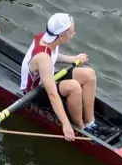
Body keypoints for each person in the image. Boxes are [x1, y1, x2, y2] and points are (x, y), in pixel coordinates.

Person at [19, 12, 98, 142]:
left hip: (46, 78)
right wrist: (65, 124)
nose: (74, 33)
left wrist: (73, 59)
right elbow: (52, 95)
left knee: (89, 74)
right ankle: (80, 127)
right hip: (34, 92)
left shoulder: (47, 38)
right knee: (73, 87)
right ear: (62, 35)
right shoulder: (44, 58)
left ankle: (91, 123)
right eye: (72, 31)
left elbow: (54, 55)